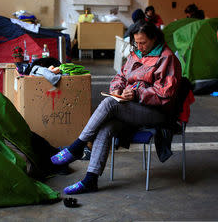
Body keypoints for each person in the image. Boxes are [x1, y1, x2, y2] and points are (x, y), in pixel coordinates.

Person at [50, 20, 182, 194]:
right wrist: (118, 89)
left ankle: (77, 146)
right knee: (106, 126)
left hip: (157, 113)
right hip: (133, 109)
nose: (139, 46)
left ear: (155, 38)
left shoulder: (167, 58)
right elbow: (121, 75)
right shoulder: (136, 53)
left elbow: (165, 94)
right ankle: (91, 179)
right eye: (137, 42)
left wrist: (137, 94)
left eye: (143, 42)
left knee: (110, 103)